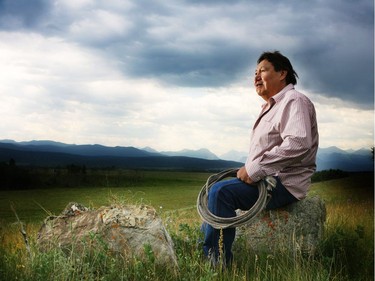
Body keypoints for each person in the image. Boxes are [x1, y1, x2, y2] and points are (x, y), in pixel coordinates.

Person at [202, 51, 319, 265]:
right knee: (214, 191)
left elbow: (298, 143)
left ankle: (216, 264)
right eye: (254, 72)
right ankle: (209, 252)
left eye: (263, 70)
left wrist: (255, 169)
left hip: (283, 183)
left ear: (282, 73)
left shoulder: (294, 101)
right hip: (270, 179)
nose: (256, 76)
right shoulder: (271, 106)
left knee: (220, 194)